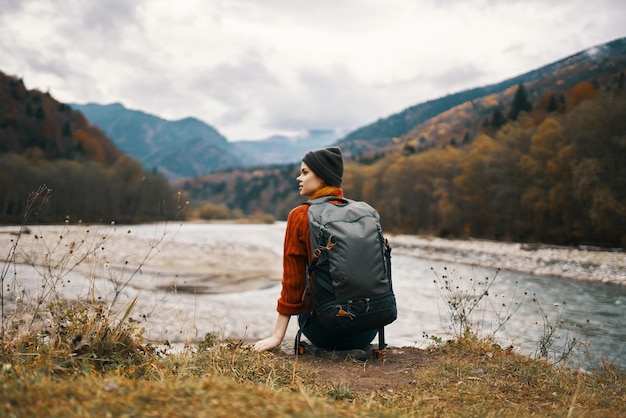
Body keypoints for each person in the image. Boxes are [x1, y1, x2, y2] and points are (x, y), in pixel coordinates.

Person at [253, 146, 378, 352]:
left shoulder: (301, 215)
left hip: (326, 331)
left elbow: (293, 282)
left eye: (304, 172)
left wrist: (277, 336)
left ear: (321, 178)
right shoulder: (366, 212)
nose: (298, 178)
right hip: (368, 330)